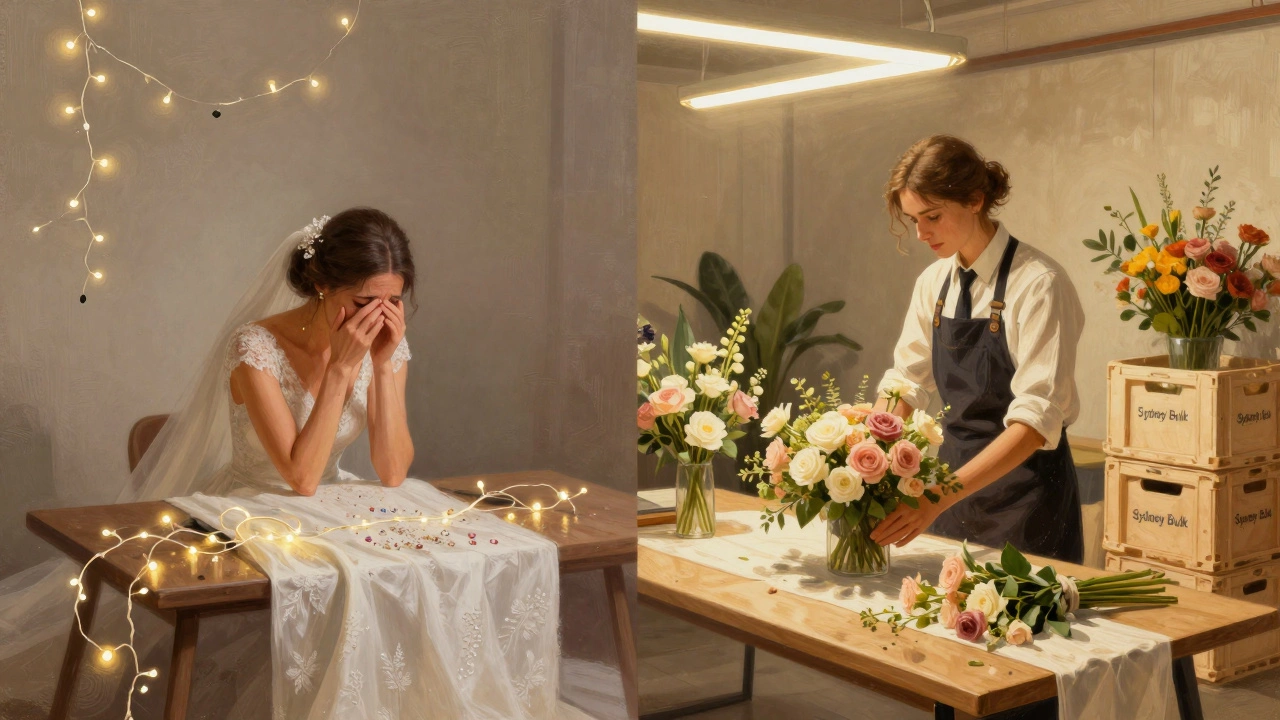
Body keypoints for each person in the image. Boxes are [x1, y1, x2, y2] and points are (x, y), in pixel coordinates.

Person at [0, 209, 599, 720]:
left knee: (420, 572)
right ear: (322, 286)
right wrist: (341, 369)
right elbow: (300, 476)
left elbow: (392, 470)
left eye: (393, 301)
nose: (380, 317)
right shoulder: (255, 346)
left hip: (331, 505)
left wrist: (385, 368)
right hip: (250, 506)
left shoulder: (386, 345)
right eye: (364, 301)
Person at [867, 135, 1086, 564]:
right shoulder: (933, 283)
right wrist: (863, 457)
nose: (921, 232)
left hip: (1026, 503)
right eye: (913, 219)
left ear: (974, 200)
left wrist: (936, 498)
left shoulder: (1039, 284)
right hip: (951, 496)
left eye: (932, 216)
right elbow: (907, 381)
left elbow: (1035, 422)